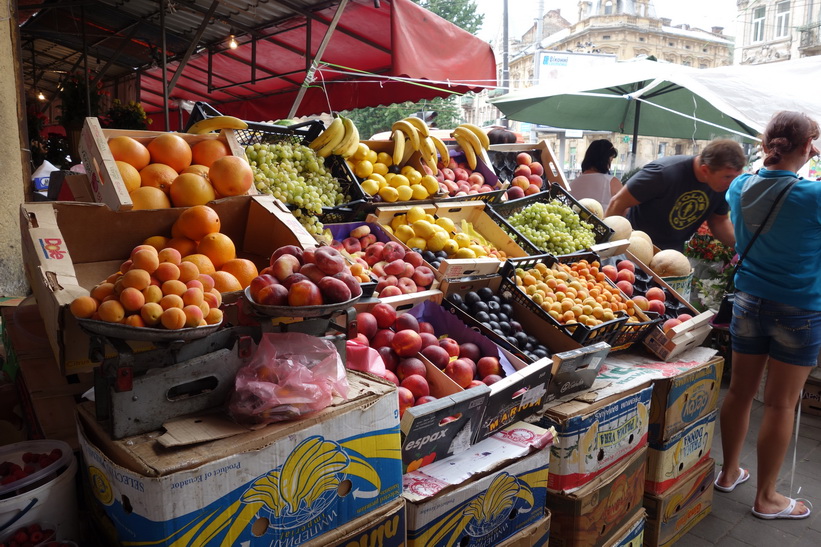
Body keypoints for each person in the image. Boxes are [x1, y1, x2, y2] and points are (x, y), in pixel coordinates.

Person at [715, 111, 821, 520]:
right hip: (800, 310)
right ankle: (767, 498)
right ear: (808, 147)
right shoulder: (812, 196)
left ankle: (727, 474)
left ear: (765, 144)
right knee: (780, 405)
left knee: (739, 392)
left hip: (748, 302)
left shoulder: (740, 185)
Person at [604, 139, 746, 250]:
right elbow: (618, 203)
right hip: (635, 247)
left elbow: (718, 221)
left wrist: (743, 247)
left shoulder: (724, 187)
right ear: (705, 170)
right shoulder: (663, 173)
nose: (733, 183)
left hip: (672, 254)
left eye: (736, 177)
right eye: (727, 177)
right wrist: (610, 247)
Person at [569, 139, 622, 208]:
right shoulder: (612, 182)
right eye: (610, 160)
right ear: (605, 160)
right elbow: (625, 209)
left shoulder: (573, 183)